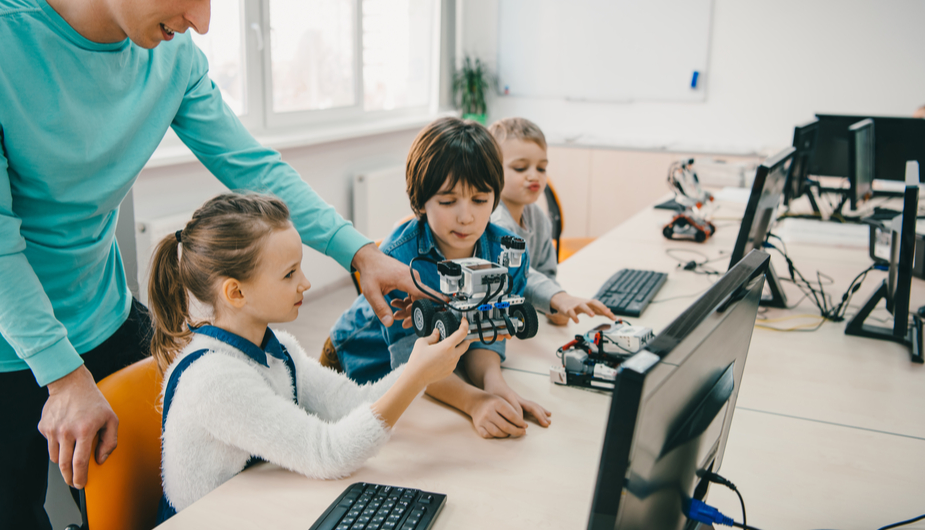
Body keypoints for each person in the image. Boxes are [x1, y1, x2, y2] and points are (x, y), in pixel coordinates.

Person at [0, 0, 423, 528]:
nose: (201, 22)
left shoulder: (172, 55)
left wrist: (359, 252)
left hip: (102, 315)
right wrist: (63, 376)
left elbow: (252, 168)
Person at [148, 193, 471, 523]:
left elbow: (354, 402)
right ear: (236, 293)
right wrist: (416, 376)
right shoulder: (215, 380)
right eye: (289, 274)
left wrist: (424, 363)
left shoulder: (278, 350)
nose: (306, 283)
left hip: (254, 509)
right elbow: (328, 453)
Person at [327, 117, 553, 439]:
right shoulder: (400, 261)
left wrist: (493, 382)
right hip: (362, 359)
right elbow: (413, 367)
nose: (466, 216)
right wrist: (474, 402)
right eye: (448, 201)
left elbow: (484, 330)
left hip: (441, 366)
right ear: (420, 201)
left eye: (479, 200)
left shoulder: (505, 251)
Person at [488, 117, 615, 326]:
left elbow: (546, 271)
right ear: (491, 171)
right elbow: (516, 274)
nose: (534, 176)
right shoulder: (497, 222)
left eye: (541, 168)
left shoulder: (537, 217)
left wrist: (554, 306)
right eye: (520, 168)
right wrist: (557, 297)